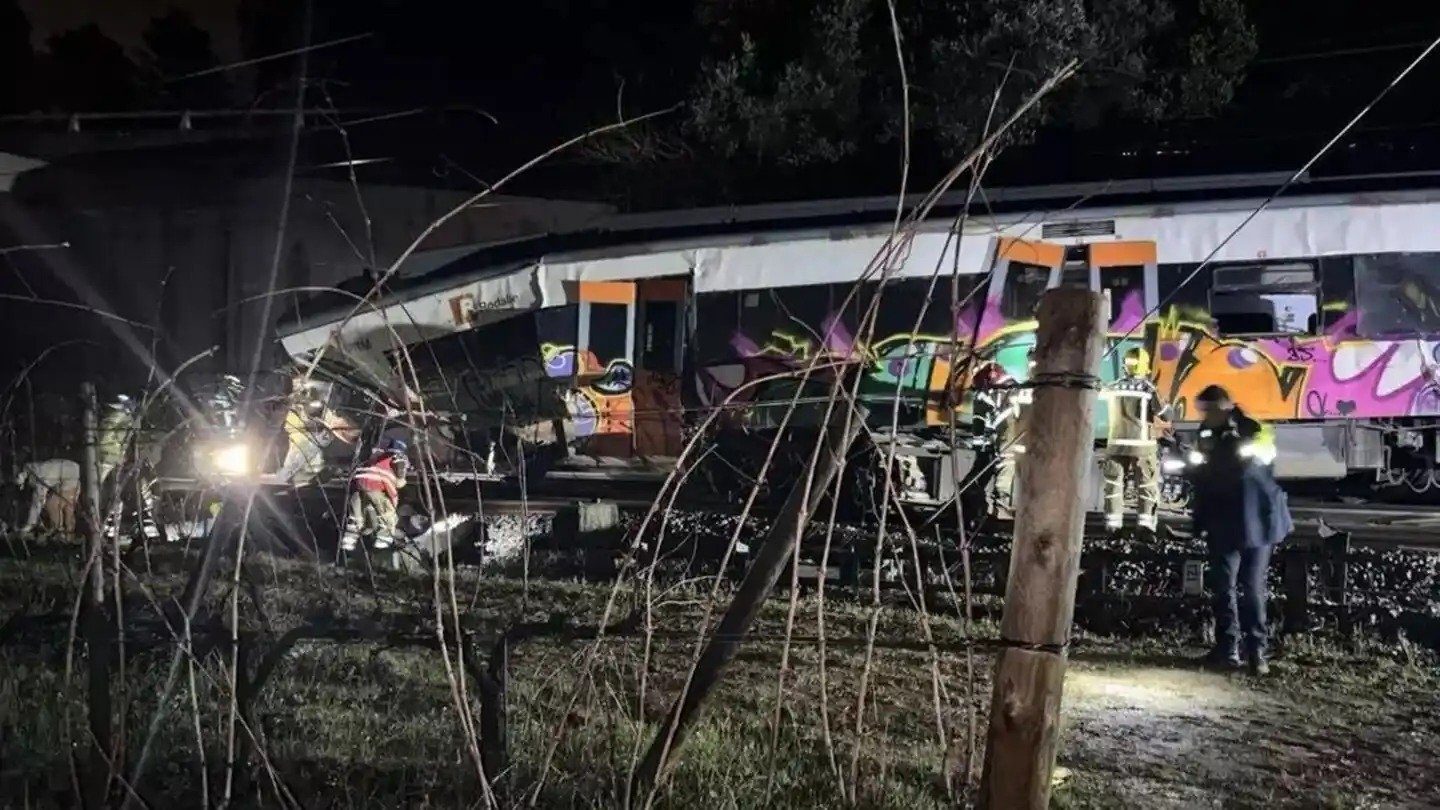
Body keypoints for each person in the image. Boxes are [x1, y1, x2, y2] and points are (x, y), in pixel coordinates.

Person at [1189, 384, 1291, 676]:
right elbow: (1203, 475)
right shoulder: (1208, 433)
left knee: (1247, 587)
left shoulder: (1252, 430)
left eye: (1207, 410)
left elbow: (1243, 471)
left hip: (1251, 520)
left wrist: (1208, 464)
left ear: (1223, 407)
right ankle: (1233, 649)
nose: (1204, 416)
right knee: (1227, 586)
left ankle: (1253, 652)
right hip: (1236, 520)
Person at [1100, 347, 1172, 539]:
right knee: (1147, 485)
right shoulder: (1148, 389)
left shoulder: (1113, 387)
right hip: (1143, 447)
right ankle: (1145, 527)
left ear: (1126, 365)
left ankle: (1113, 526)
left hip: (1115, 445)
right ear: (1145, 366)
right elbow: (1165, 414)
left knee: (1113, 485)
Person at [341, 437, 409, 552]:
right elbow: (400, 473)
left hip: (359, 484)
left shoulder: (375, 455)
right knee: (388, 514)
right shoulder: (397, 457)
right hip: (376, 484)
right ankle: (384, 539)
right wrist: (401, 480)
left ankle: (349, 540)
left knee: (356, 516)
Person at [987, 350, 1034, 517]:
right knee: (1009, 463)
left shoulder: (1021, 388)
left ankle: (1002, 502)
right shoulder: (1022, 389)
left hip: (1022, 437)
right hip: (1020, 437)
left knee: (1010, 464)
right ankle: (1001, 502)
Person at [16, 458, 81, 536]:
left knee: (55, 505)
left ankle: (61, 530)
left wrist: (30, 524)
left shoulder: (39, 478)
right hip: (69, 468)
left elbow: (37, 503)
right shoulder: (31, 467)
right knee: (60, 504)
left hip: (67, 474)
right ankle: (61, 529)